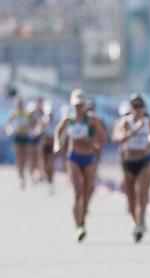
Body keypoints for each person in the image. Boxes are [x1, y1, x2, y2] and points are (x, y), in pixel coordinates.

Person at [53, 89, 107, 241]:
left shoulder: (92, 120)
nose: (78, 108)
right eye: (76, 105)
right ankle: (79, 227)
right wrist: (58, 144)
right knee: (77, 193)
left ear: (84, 105)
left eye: (81, 105)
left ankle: (83, 220)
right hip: (73, 157)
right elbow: (58, 130)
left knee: (86, 191)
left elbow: (102, 139)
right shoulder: (68, 119)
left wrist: (93, 143)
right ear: (72, 105)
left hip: (88, 157)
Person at [113, 93, 150, 242]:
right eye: (135, 106)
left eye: (140, 106)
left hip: (145, 161)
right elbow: (117, 139)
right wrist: (133, 131)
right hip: (128, 162)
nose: (138, 109)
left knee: (141, 191)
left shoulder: (149, 122)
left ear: (144, 107)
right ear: (131, 108)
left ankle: (141, 221)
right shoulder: (124, 123)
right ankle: (135, 222)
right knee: (131, 198)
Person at [5, 97, 32, 189]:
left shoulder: (27, 113)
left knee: (25, 158)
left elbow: (33, 123)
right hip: (17, 137)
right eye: (18, 103)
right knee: (19, 157)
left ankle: (23, 173)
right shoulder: (13, 113)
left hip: (26, 137)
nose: (19, 105)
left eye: (21, 103)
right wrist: (10, 130)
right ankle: (21, 178)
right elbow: (8, 124)